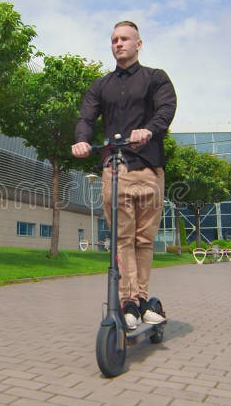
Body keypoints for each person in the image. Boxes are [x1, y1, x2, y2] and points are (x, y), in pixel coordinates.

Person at [71, 21, 177, 330]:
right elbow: (86, 117)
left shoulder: (156, 79)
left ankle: (141, 300)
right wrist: (81, 138)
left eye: (125, 39)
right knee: (121, 238)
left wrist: (150, 129)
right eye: (114, 39)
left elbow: (165, 110)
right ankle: (129, 301)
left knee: (144, 239)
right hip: (114, 167)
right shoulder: (100, 85)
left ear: (138, 44)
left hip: (149, 167)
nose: (119, 43)